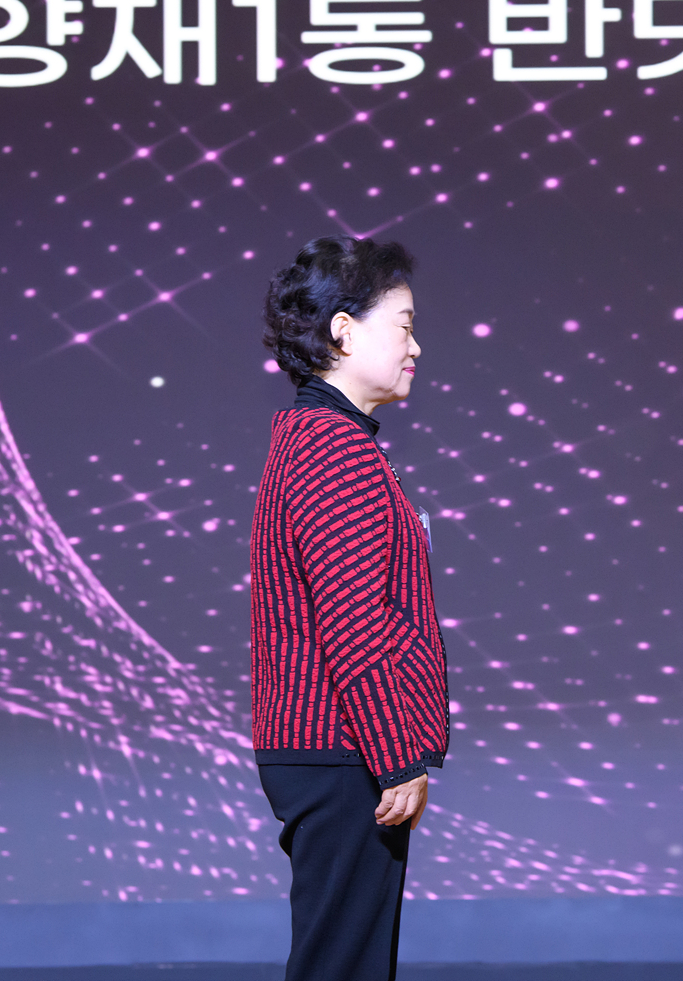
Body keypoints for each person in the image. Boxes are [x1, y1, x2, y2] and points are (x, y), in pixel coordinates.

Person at [250, 236, 447, 981]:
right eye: (403, 325)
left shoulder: (325, 439)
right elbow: (354, 620)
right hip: (344, 750)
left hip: (336, 746)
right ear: (342, 331)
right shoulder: (332, 448)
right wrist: (398, 754)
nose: (415, 346)